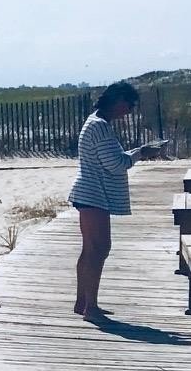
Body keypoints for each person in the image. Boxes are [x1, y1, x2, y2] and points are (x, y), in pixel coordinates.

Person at [70, 80, 166, 318]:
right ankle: (90, 307)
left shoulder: (95, 122)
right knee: (99, 249)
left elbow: (112, 159)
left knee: (90, 250)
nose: (130, 111)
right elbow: (115, 164)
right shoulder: (100, 126)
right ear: (118, 100)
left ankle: (83, 302)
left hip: (89, 193)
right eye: (129, 105)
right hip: (94, 193)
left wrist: (137, 152)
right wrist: (141, 153)